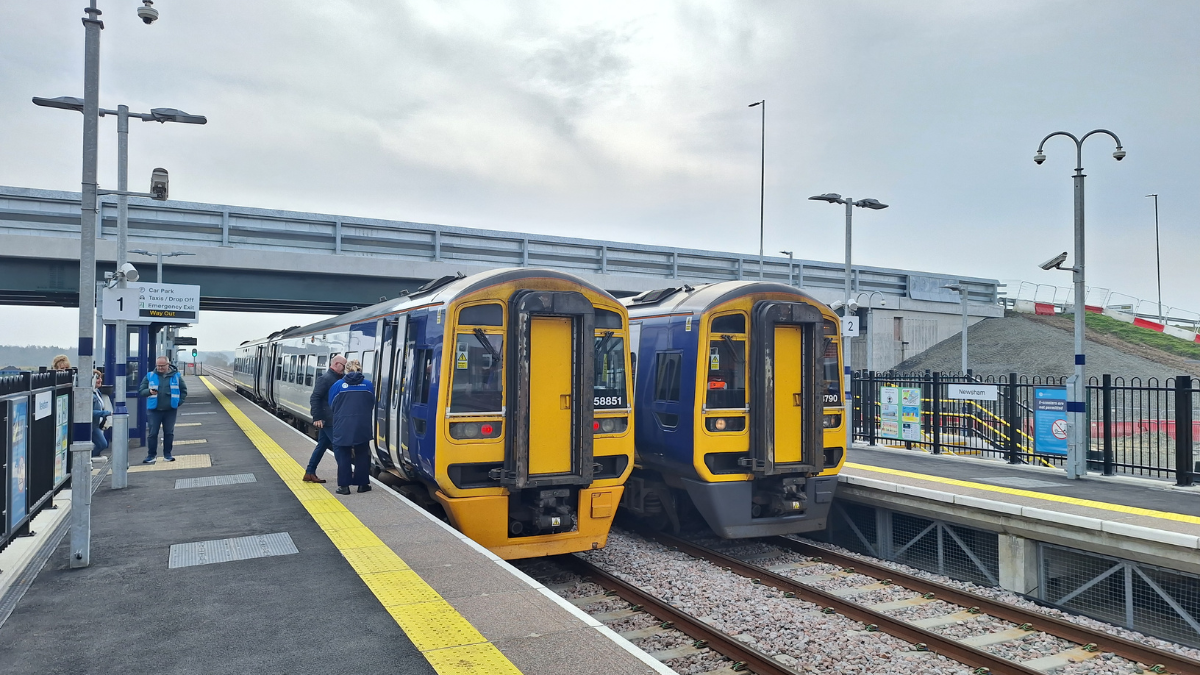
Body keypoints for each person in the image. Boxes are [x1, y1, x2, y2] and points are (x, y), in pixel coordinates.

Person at [328, 360, 374, 495]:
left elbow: (332, 405)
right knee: (362, 454)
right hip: (362, 425)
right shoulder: (368, 385)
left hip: (343, 426)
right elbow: (371, 403)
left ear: (346, 370)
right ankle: (362, 485)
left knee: (343, 455)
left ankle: (344, 487)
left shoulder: (337, 385)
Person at [304, 354, 347, 483]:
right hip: (328, 419)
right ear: (336, 364)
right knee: (339, 445)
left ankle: (309, 472)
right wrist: (317, 417)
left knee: (322, 445)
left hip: (332, 418)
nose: (344, 368)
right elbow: (315, 398)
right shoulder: (325, 379)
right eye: (343, 366)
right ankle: (345, 473)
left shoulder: (339, 378)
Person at [138, 356, 187, 463]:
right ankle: (151, 455)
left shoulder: (176, 376)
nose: (159, 368)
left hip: (170, 410)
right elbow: (141, 390)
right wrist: (149, 392)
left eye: (162, 366)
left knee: (169, 432)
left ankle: (167, 455)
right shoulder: (150, 376)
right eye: (158, 366)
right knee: (152, 433)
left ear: (168, 365)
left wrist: (179, 402)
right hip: (154, 410)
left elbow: (183, 390)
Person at [92, 369, 112, 458]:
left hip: (96, 424)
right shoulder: (91, 394)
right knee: (102, 444)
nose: (100, 380)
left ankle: (91, 457)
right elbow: (89, 412)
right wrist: (106, 413)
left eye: (100, 378)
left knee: (102, 444)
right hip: (92, 425)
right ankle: (89, 458)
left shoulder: (97, 392)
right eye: (97, 378)